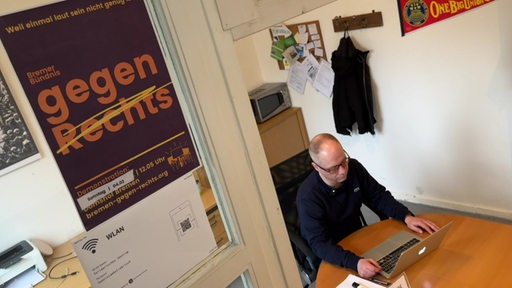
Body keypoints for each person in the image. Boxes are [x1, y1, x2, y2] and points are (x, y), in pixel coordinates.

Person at [296, 133, 439, 278]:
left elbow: (378, 195)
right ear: (316, 167)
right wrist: (355, 262)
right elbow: (320, 243)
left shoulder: (354, 168)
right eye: (334, 168)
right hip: (333, 254)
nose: (343, 170)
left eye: (343, 161)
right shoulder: (308, 197)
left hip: (358, 237)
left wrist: (406, 216)